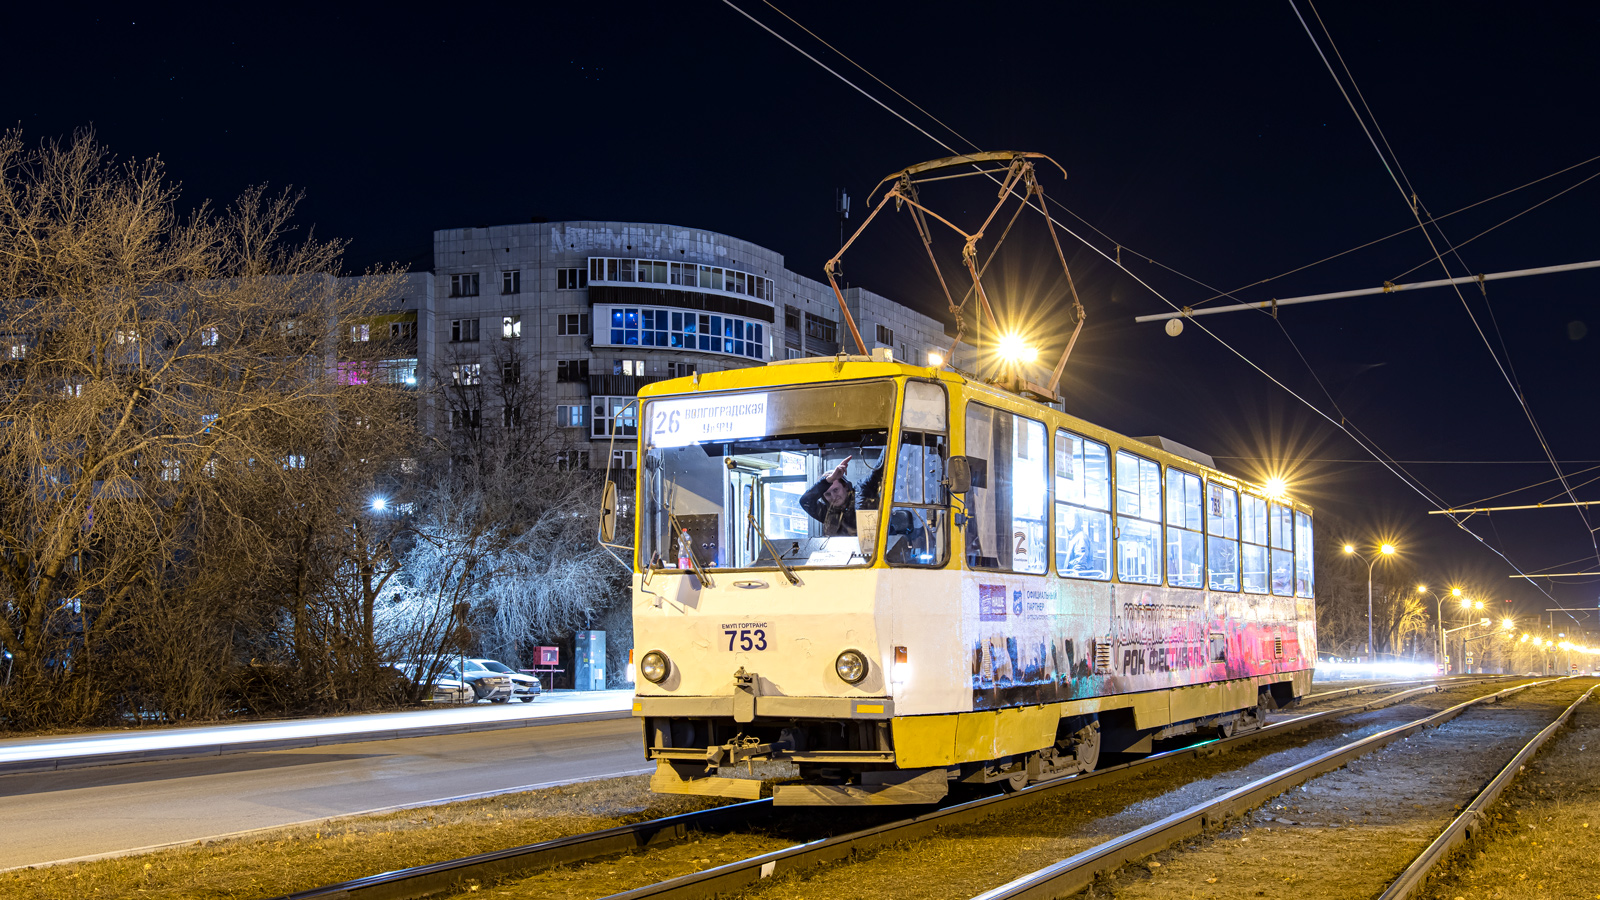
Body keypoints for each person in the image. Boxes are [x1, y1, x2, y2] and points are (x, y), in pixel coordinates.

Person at [799, 456, 858, 536]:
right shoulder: (825, 512)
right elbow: (805, 501)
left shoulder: (859, 504)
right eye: (828, 494)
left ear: (846, 487)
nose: (833, 497)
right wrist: (828, 480)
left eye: (836, 490)